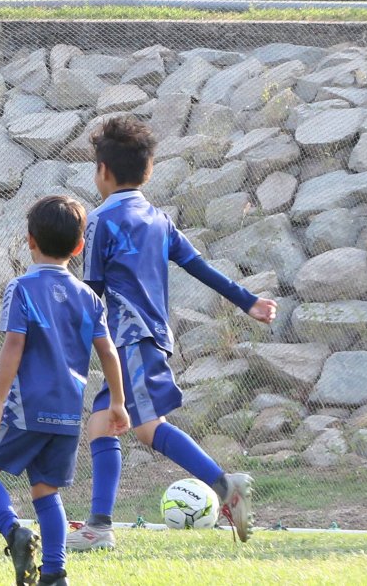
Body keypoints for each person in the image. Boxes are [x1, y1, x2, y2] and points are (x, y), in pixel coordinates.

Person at [65, 117, 277, 550]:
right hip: (149, 337)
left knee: (145, 428)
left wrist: (65, 333)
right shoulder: (158, 219)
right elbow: (198, 265)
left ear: (102, 171)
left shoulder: (101, 222)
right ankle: (100, 527)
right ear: (149, 170)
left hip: (130, 338)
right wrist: (247, 301)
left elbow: (93, 292)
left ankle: (223, 485)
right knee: (103, 425)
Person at [0, 195, 131, 586]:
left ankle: (13, 532)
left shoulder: (22, 288)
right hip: (68, 413)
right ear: (78, 247)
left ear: (29, 241)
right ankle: (54, 574)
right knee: (46, 491)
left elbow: (13, 345)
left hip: (26, 408)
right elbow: (107, 352)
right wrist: (119, 402)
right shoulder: (89, 297)